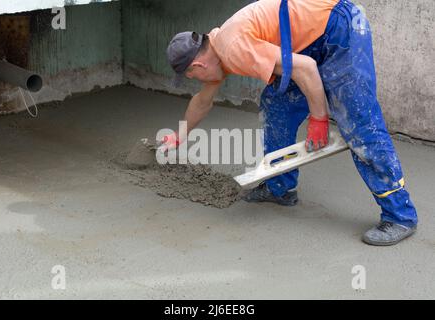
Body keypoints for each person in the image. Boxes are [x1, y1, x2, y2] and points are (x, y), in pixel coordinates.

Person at [162, 0, 418, 246]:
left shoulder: (233, 47)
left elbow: (305, 68)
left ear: (197, 64)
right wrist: (179, 134)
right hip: (309, 39)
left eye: (191, 75)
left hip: (337, 27)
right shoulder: (218, 49)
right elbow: (202, 101)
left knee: (359, 123)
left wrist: (318, 119)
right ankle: (280, 188)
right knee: (277, 105)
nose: (196, 80)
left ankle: (400, 216)